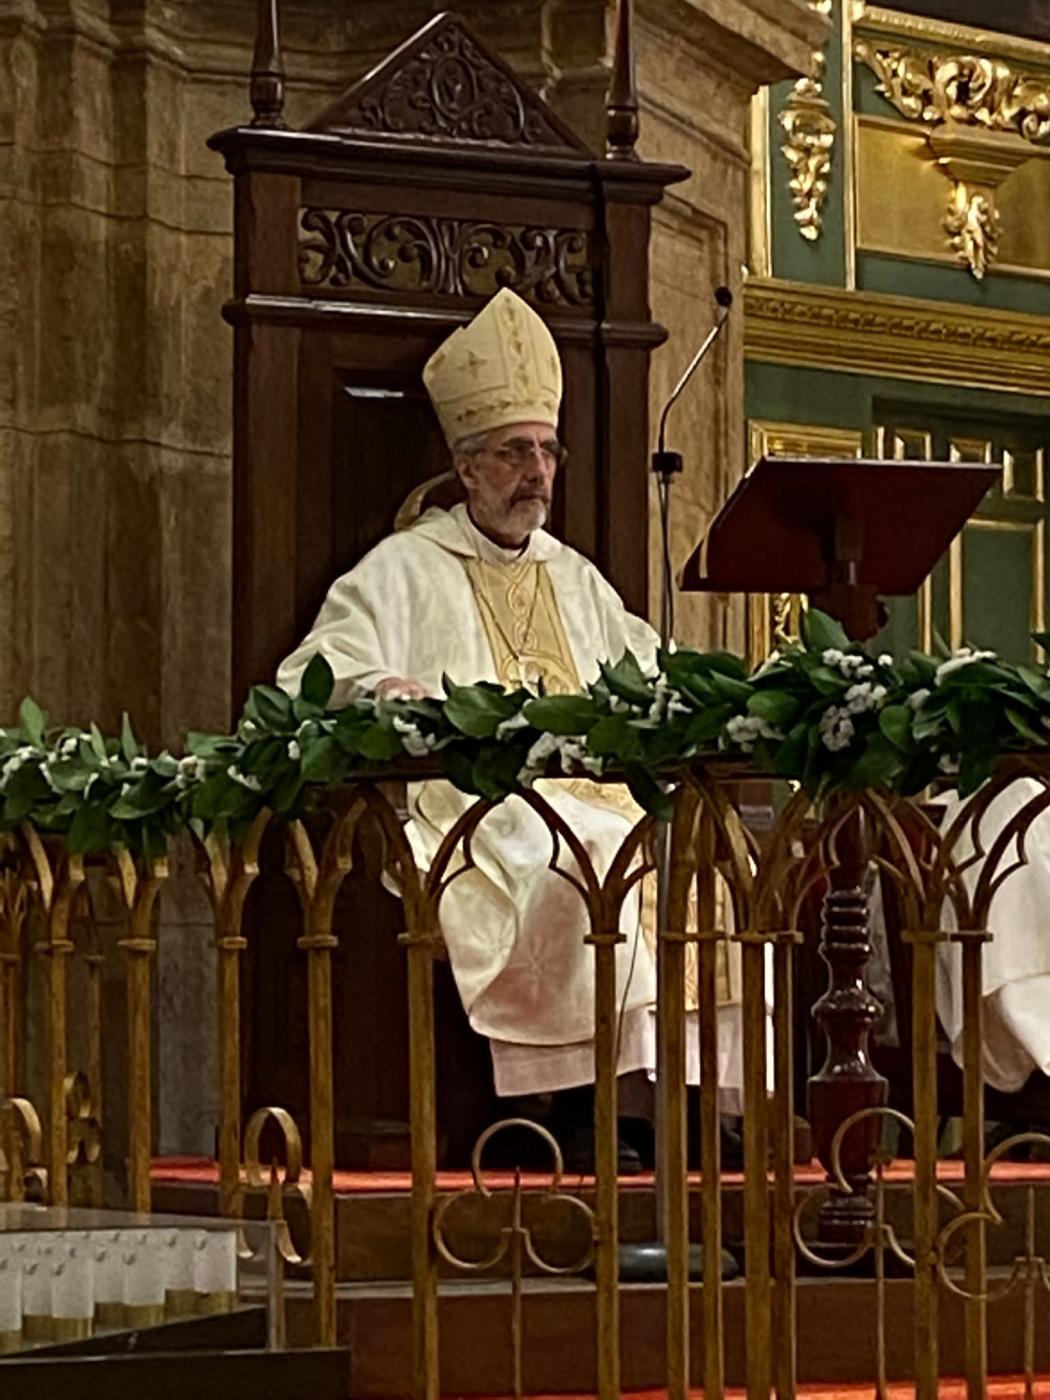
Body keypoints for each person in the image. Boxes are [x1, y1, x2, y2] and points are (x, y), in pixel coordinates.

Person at [278, 288, 747, 1170]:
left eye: (545, 452)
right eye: (514, 453)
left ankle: (667, 1103)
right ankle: (563, 1103)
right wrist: (388, 689)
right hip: (483, 804)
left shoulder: (577, 579)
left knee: (695, 855)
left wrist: (704, 698)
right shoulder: (405, 567)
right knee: (565, 847)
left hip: (599, 795)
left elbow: (647, 670)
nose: (536, 472)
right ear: (467, 466)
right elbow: (318, 673)